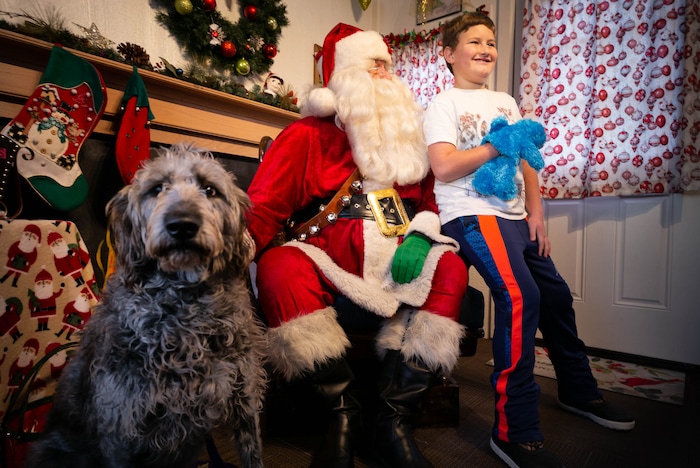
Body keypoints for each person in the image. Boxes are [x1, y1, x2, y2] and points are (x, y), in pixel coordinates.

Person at [247, 23, 468, 468]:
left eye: (387, 65)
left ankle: (392, 420)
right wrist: (225, 254)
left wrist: (422, 237)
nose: (385, 75)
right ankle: (341, 415)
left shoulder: (411, 140)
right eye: (373, 66)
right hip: (327, 266)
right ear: (344, 78)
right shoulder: (306, 135)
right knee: (278, 268)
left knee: (451, 269)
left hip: (395, 272)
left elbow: (429, 204)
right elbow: (262, 208)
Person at [423, 12, 635, 468]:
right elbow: (443, 167)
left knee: (555, 297)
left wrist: (537, 211)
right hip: (472, 215)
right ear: (448, 54)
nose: (485, 47)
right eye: (474, 40)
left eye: (491, 41)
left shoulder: (505, 100)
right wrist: (498, 145)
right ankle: (514, 432)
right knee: (521, 298)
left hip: (517, 216)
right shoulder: (443, 104)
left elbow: (526, 157)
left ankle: (579, 392)